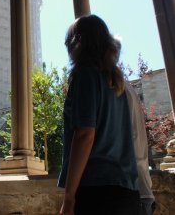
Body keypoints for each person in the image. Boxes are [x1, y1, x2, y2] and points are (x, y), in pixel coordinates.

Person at [58, 15, 140, 215]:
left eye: (69, 40)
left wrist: (69, 198)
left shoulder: (85, 75)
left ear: (78, 42)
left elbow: (85, 134)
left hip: (97, 192)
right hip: (127, 191)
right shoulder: (117, 83)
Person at [125, 83, 155, 215]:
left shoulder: (111, 85)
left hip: (128, 193)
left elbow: (86, 135)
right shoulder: (126, 87)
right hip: (141, 189)